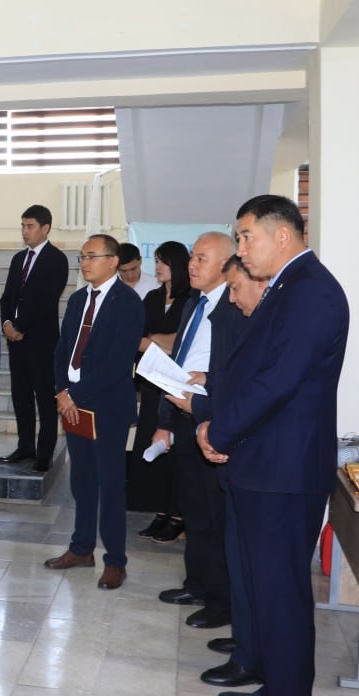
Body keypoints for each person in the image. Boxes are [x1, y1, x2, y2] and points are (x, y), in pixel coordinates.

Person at [197, 195, 349, 696]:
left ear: (281, 235)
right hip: (262, 463)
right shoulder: (287, 287)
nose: (240, 248)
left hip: (282, 470)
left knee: (281, 595)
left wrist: (219, 432)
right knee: (265, 589)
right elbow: (249, 372)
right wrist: (212, 419)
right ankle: (274, 687)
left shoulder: (311, 292)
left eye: (245, 237)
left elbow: (277, 382)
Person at [151, 234, 244, 645]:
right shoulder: (194, 303)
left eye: (202, 259)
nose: (192, 265)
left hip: (215, 419)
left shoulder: (235, 308)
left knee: (216, 513)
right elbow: (180, 361)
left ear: (226, 264)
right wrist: (166, 421)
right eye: (191, 257)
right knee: (194, 510)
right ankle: (197, 584)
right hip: (185, 415)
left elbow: (234, 371)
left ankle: (220, 600)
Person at [44, 234, 144, 590]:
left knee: (110, 484)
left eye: (92, 256)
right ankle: (81, 548)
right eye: (82, 257)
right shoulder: (77, 300)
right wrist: (62, 391)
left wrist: (73, 394)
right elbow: (61, 351)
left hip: (107, 406)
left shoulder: (128, 303)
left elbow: (118, 364)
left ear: (113, 261)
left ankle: (115, 561)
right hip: (72, 403)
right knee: (81, 480)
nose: (84, 263)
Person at [196, 253, 269, 694]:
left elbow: (254, 396)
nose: (232, 299)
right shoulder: (250, 320)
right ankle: (245, 643)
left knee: (256, 572)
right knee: (240, 563)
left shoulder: (265, 326)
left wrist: (211, 424)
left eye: (236, 289)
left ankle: (252, 656)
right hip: (240, 459)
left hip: (258, 464)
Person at [0, 204, 69, 472]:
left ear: (45, 228)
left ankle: (44, 453)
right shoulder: (19, 259)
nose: (25, 231)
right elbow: (7, 296)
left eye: (30, 226)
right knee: (21, 396)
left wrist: (19, 325)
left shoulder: (56, 259)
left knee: (45, 398)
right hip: (16, 341)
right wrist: (7, 323)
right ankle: (25, 446)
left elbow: (46, 300)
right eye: (23, 226)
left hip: (41, 342)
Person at [132, 241, 192, 542]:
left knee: (175, 450)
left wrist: (153, 340)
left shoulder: (190, 298)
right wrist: (159, 341)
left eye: (162, 262)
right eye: (156, 261)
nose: (157, 267)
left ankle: (178, 514)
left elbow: (181, 342)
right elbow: (137, 338)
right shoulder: (152, 297)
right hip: (151, 384)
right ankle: (160, 511)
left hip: (177, 387)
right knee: (152, 445)